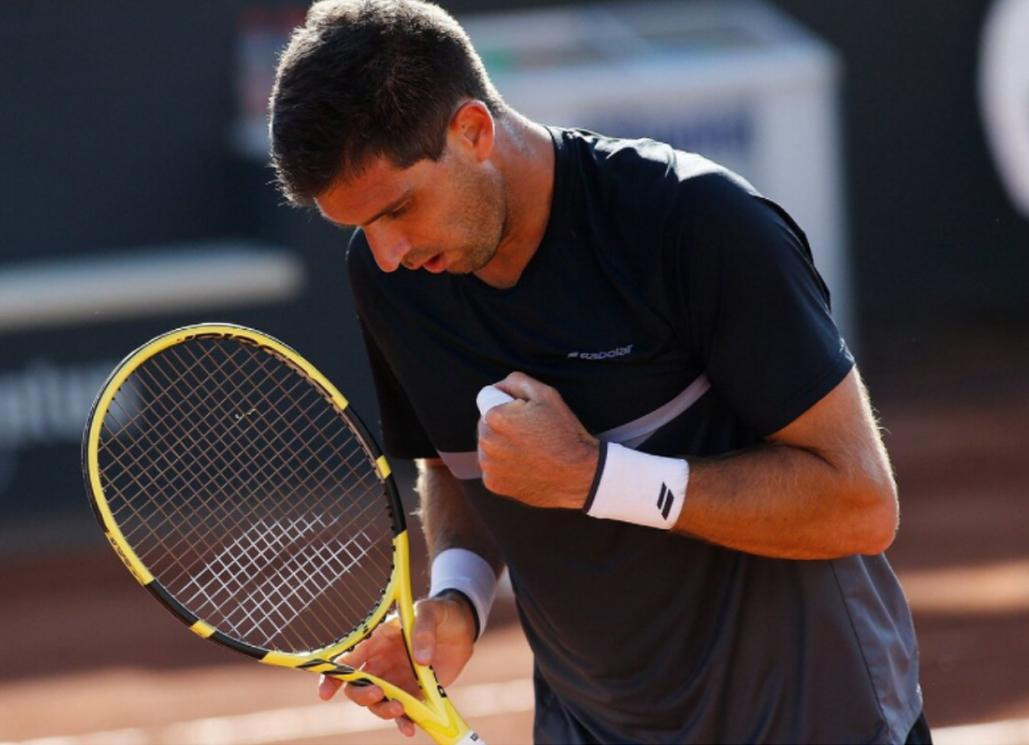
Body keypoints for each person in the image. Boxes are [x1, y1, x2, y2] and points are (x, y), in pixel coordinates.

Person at [269, 1, 930, 742]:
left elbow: (859, 502)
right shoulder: (393, 277)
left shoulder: (696, 222)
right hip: (592, 724)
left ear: (473, 132)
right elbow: (458, 464)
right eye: (361, 227)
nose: (387, 252)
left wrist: (595, 477)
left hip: (813, 719)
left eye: (399, 209)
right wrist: (456, 600)